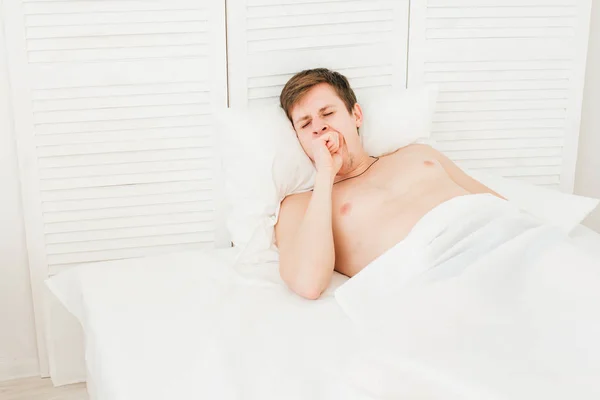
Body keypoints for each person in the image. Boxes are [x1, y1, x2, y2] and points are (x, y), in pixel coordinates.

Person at [275, 68, 504, 300]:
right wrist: (325, 174)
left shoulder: (418, 153)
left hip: (497, 237)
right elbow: (308, 283)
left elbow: (500, 206)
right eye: (305, 124)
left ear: (356, 115)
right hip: (444, 278)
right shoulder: (302, 204)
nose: (318, 127)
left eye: (327, 113)